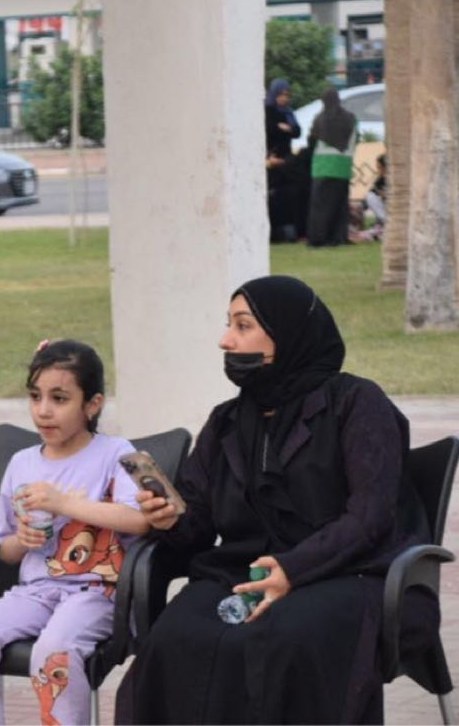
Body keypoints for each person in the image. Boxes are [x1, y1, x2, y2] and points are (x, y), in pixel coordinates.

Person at [115, 275, 438, 724]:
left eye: (243, 325)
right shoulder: (227, 420)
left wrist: (293, 568)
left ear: (287, 334)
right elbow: (198, 521)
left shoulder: (356, 403)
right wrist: (171, 518)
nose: (225, 340)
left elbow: (369, 516)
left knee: (282, 641)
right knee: (174, 637)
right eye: (228, 324)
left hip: (353, 574)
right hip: (244, 573)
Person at [0, 340, 148, 726]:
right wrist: (22, 540)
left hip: (97, 593)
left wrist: (63, 503)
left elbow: (138, 520)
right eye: (35, 396)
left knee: (53, 652)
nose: (43, 410)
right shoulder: (22, 463)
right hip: (35, 591)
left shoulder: (115, 453)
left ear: (92, 404)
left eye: (59, 398)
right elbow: (4, 549)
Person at [306, 88, 359, 246]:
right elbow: (356, 138)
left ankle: (318, 238)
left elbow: (311, 141)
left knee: (320, 206)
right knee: (340, 205)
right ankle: (339, 237)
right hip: (343, 166)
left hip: (322, 167)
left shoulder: (319, 119)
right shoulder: (351, 118)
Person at [264, 79, 303, 243]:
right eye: (281, 95)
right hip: (271, 160)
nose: (284, 98)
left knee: (287, 196)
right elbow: (269, 131)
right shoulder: (267, 111)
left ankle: (287, 233)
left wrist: (287, 128)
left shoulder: (288, 113)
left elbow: (297, 131)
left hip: (285, 161)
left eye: (286, 95)